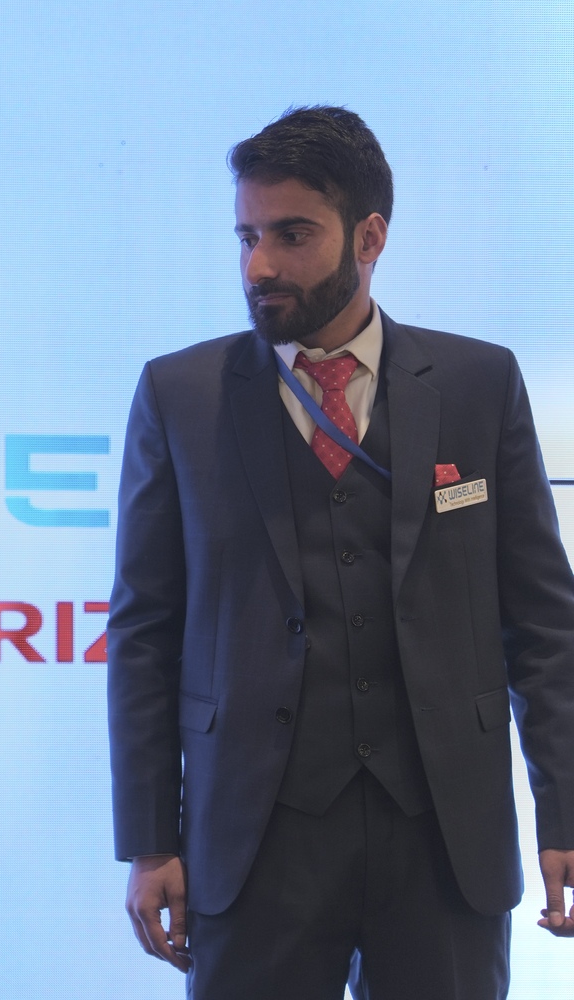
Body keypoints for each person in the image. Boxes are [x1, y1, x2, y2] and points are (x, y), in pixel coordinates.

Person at [108, 105, 574, 999]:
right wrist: (151, 841)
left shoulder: (479, 385)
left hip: (443, 837)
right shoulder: (181, 394)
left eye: (292, 235)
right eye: (247, 236)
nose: (260, 265)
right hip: (254, 839)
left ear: (370, 237)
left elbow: (543, 624)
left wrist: (565, 810)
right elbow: (144, 633)